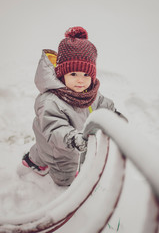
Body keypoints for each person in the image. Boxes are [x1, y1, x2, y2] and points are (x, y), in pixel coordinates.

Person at [22, 26, 122, 186]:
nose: (80, 80)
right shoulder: (51, 101)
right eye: (73, 74)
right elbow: (54, 128)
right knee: (63, 169)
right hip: (62, 147)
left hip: (64, 141)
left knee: (42, 150)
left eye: (86, 75)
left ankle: (33, 159)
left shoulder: (88, 92)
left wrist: (113, 113)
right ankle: (62, 181)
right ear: (62, 74)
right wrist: (72, 138)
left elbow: (101, 102)